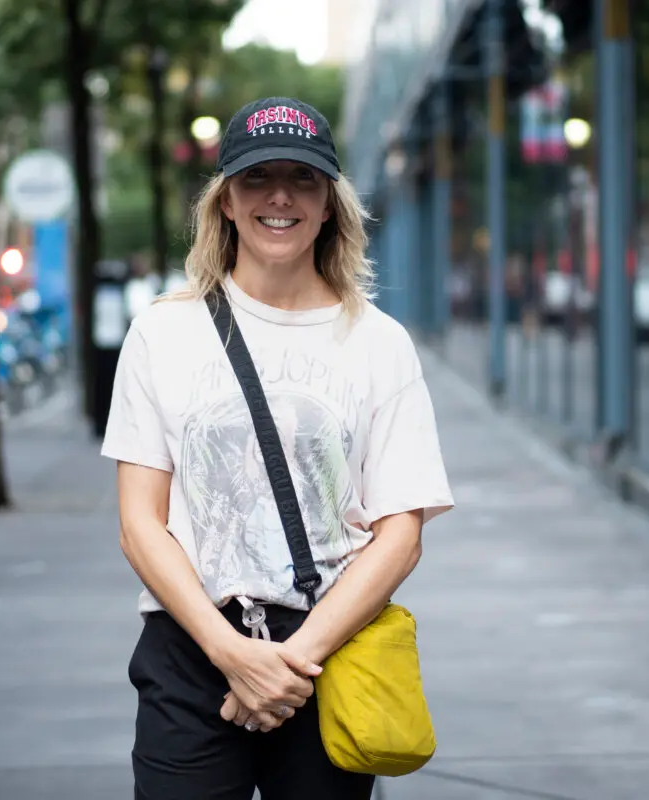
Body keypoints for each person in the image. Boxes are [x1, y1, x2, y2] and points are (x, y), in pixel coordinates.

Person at [101, 95, 454, 799]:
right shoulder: (162, 335)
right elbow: (141, 524)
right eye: (258, 178)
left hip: (327, 652)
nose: (281, 196)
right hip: (192, 648)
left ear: (330, 204)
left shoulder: (379, 344)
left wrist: (291, 663)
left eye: (304, 178)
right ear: (225, 201)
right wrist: (231, 653)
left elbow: (401, 533)